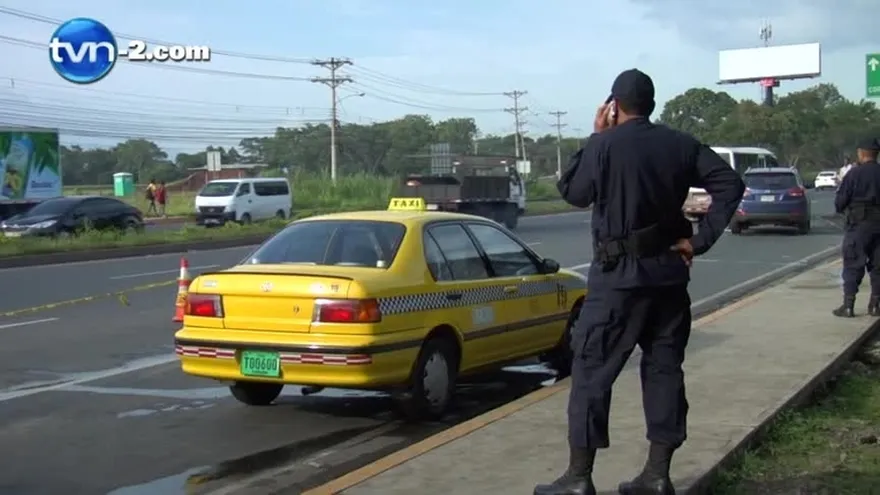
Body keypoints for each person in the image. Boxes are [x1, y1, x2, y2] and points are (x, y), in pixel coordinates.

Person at [533, 69, 745, 495]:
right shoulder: (680, 144)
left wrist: (595, 136)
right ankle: (658, 475)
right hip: (668, 278)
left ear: (614, 106)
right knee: (665, 371)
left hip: (618, 281)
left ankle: (578, 478)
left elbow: (574, 192)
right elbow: (730, 183)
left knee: (592, 372)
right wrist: (699, 239)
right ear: (652, 103)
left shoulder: (605, 146)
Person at [832, 138, 880, 318]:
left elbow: (840, 202)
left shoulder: (854, 174)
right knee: (878, 266)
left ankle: (849, 305)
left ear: (861, 153)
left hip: (859, 224)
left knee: (853, 264)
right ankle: (875, 305)